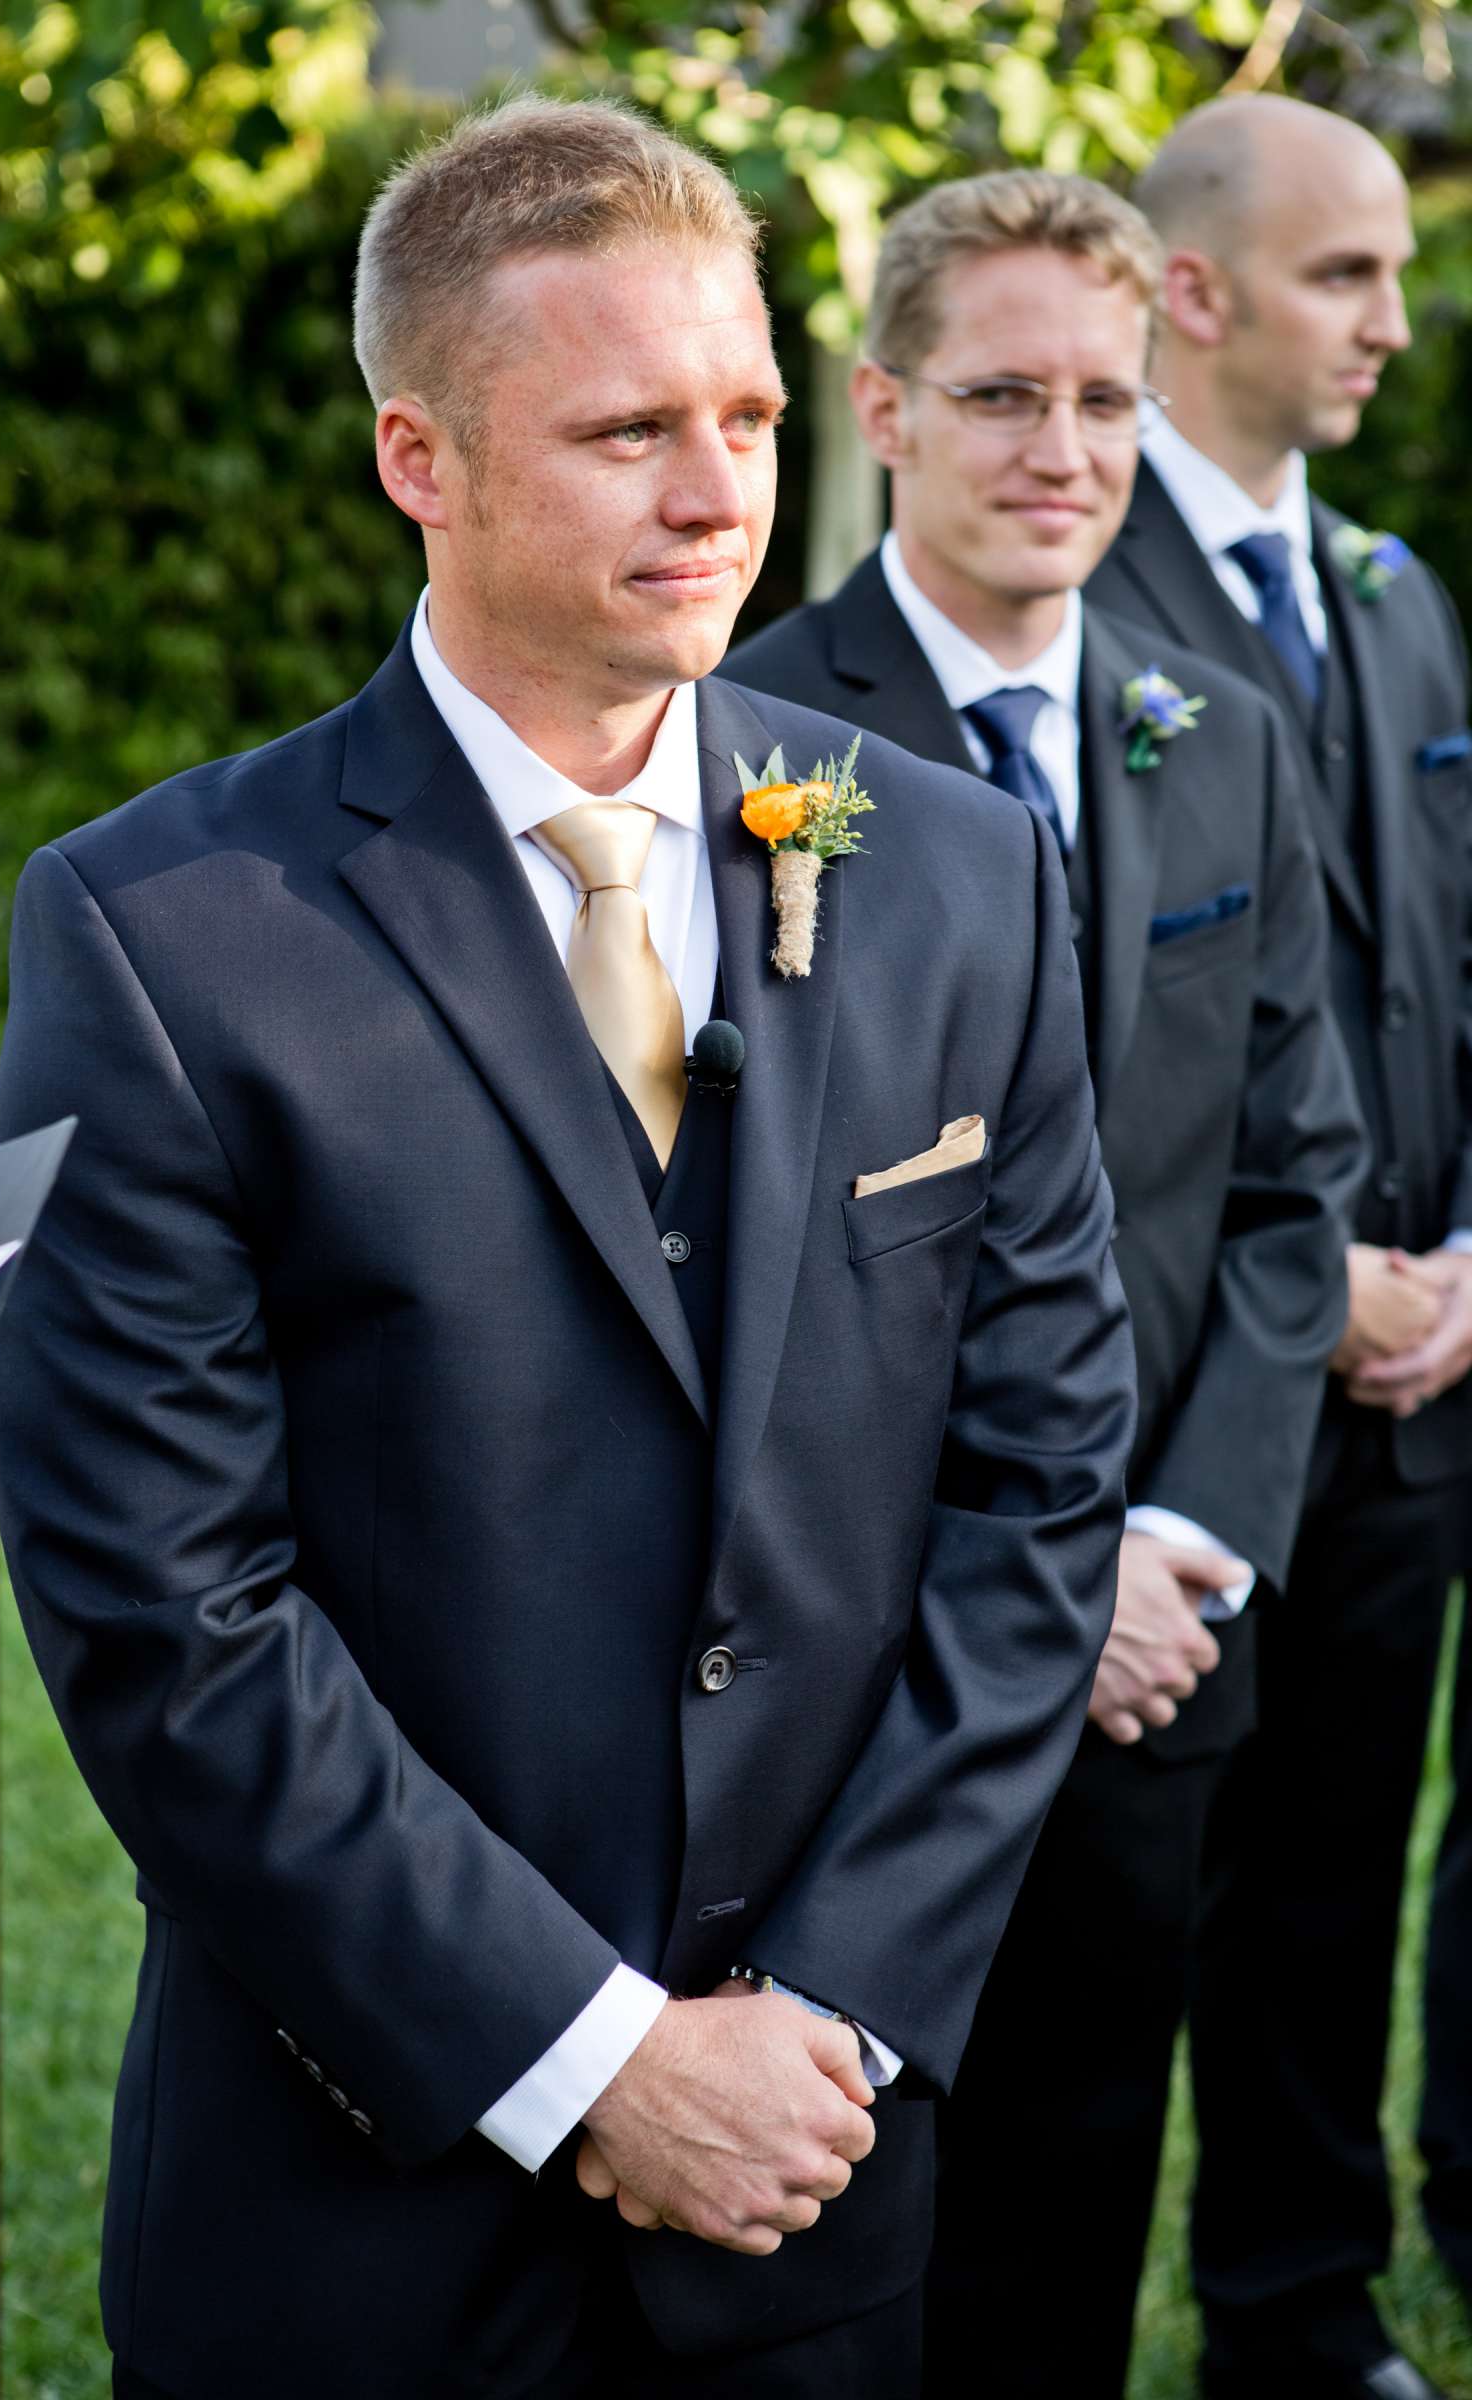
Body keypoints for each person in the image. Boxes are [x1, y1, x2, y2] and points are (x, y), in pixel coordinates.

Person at [0, 97, 1136, 2400]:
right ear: (420, 455)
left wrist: (827, 2020)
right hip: (360, 2193)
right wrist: (592, 2059)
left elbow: (1035, 1489)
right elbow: (167, 1617)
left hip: (823, 2169)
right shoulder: (163, 937)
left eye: (747, 420)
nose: (719, 497)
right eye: (626, 433)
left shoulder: (956, 874)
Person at [729, 168, 1365, 2396]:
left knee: (1079, 2185)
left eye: (1103, 399)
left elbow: (1292, 1186)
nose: (1061, 452)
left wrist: (1167, 1544)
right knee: (838, 2200)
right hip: (854, 1641)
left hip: (1151, 1644)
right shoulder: (747, 740)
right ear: (883, 408)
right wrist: (1019, 1560)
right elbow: (742, 1238)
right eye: (1000, 394)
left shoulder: (1226, 737)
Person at [1088, 96, 1472, 2400]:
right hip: (1183, 1390)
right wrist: (1299, 1275)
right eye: (1345, 276)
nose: (1392, 327)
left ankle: (1293, 2310)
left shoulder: (1396, 596)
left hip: (1426, 1376)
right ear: (1193, 291)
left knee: (1339, 1857)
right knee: (1145, 1890)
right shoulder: (1064, 585)